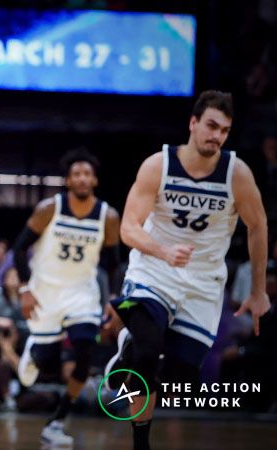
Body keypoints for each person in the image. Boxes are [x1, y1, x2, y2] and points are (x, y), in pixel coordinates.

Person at [107, 90, 269, 450]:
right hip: (154, 270)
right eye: (211, 126)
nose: (217, 135)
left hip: (203, 283)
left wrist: (258, 291)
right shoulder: (158, 165)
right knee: (147, 352)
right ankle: (140, 440)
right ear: (193, 124)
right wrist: (163, 250)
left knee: (181, 377)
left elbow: (258, 226)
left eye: (225, 130)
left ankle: (130, 355)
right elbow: (129, 228)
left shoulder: (236, 173)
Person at [10, 149, 120, 446]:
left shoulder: (108, 216)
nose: (82, 178)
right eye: (76, 174)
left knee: (84, 353)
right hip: (45, 292)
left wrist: (114, 299)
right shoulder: (49, 208)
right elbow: (19, 249)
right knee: (49, 363)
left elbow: (113, 263)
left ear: (94, 180)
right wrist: (24, 289)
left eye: (87, 173)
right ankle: (35, 351)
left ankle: (57, 421)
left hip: (82, 294)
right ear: (68, 180)